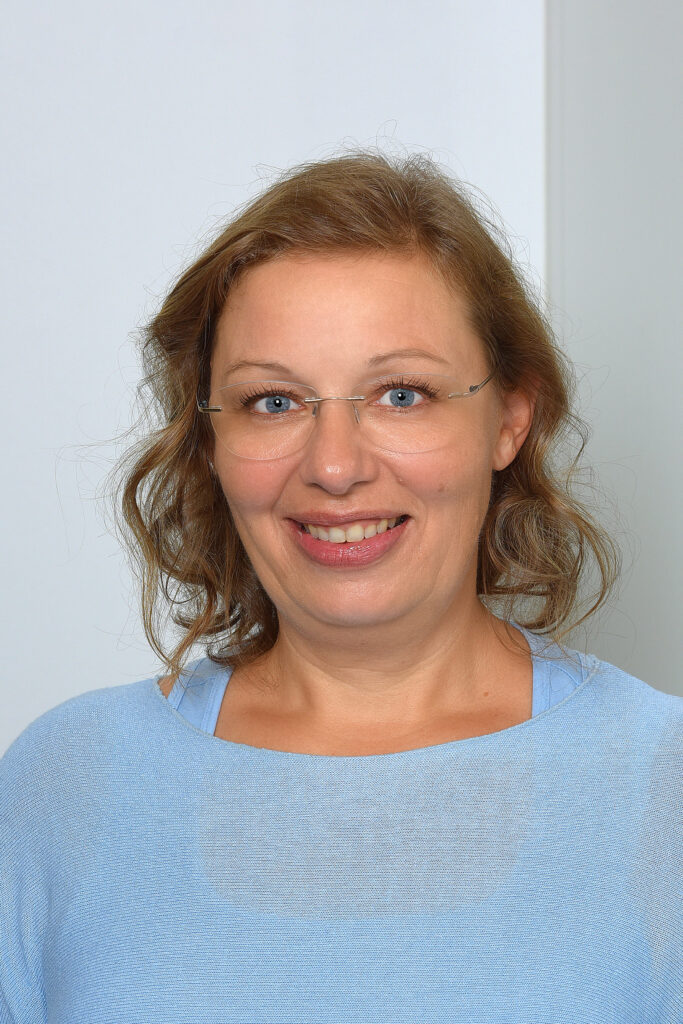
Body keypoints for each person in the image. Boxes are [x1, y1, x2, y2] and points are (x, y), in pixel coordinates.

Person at [1, 152, 680, 1023]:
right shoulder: (63, 783)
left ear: (510, 419)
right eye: (272, 402)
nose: (333, 466)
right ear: (209, 440)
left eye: (400, 394)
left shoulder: (663, 786)